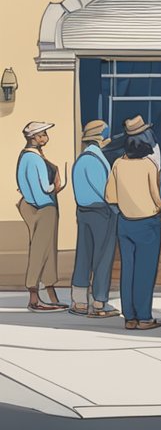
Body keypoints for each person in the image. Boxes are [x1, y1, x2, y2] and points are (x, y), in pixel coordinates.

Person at [104, 115, 161, 329]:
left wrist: (122, 210)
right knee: (145, 272)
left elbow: (110, 197)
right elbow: (157, 197)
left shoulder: (118, 164)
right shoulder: (149, 165)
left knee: (127, 270)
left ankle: (129, 317)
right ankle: (144, 317)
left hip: (125, 223)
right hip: (147, 222)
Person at [69, 120, 118, 318]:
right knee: (102, 258)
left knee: (83, 255)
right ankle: (99, 302)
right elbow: (105, 191)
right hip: (101, 212)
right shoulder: (97, 160)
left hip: (82, 211)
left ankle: (79, 301)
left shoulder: (80, 159)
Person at [17, 121, 66, 312]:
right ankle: (34, 297)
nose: (45, 137)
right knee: (41, 250)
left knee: (47, 249)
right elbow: (44, 187)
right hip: (43, 206)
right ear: (34, 138)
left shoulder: (26, 156)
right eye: (42, 134)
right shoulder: (34, 158)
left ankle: (50, 293)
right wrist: (58, 184)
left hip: (34, 205)